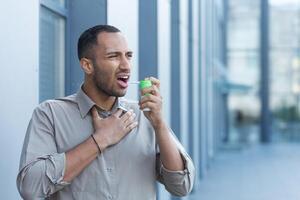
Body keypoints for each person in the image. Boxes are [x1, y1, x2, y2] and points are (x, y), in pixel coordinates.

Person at [17, 25, 195, 200]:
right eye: (113, 56)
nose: (126, 66)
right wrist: (100, 140)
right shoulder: (50, 115)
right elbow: (31, 189)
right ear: (87, 65)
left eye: (128, 56)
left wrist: (159, 124)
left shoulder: (145, 115)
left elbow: (181, 186)